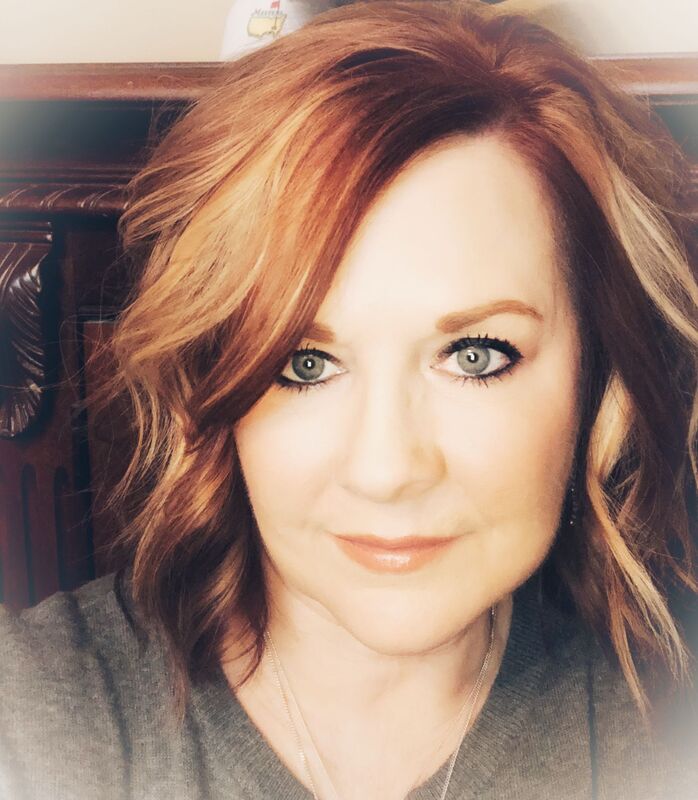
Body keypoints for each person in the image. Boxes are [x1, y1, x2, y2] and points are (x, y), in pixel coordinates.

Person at [1, 1, 697, 799]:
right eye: (304, 364)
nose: (386, 471)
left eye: (474, 356)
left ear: (596, 379)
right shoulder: (35, 717)